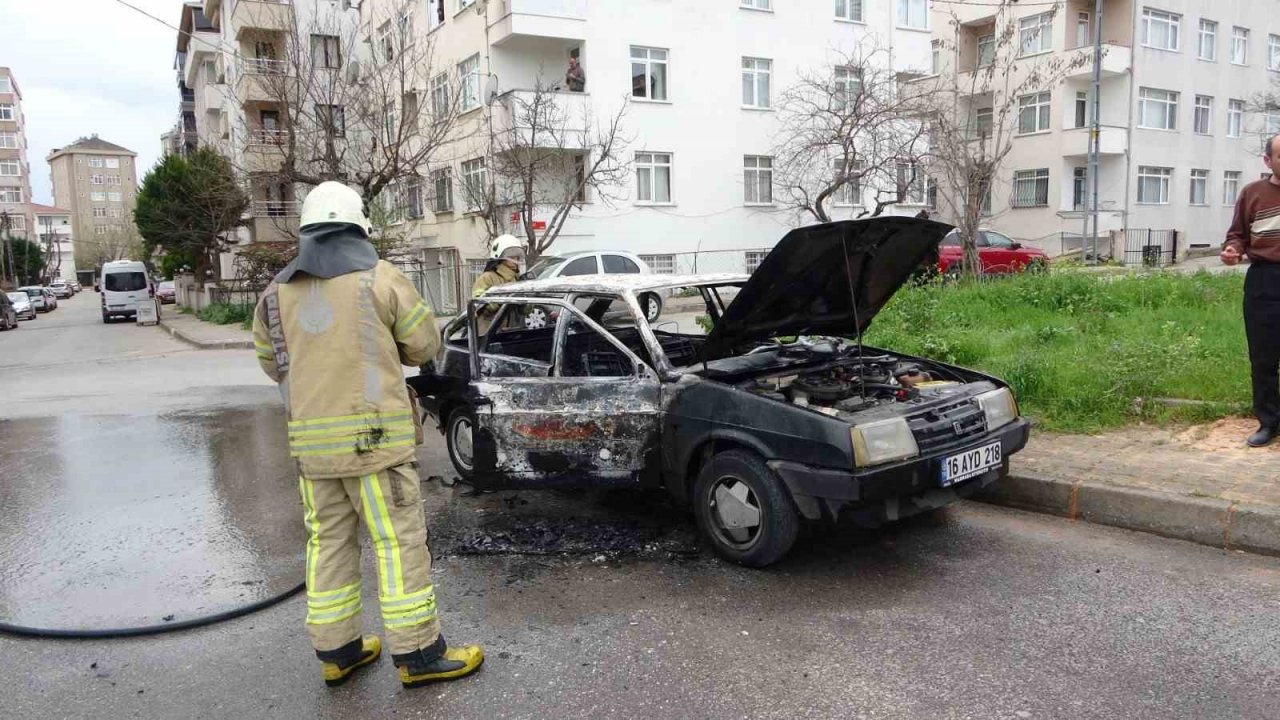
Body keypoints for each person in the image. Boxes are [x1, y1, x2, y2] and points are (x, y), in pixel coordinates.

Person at [252, 181, 484, 689]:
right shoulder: (380, 278)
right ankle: (419, 654)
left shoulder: (274, 293)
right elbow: (423, 346)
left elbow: (271, 364)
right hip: (375, 446)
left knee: (328, 543)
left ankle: (339, 652)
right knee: (398, 544)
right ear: (358, 228)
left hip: (313, 454)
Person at [1222, 133, 1280, 447]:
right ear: (1268, 160)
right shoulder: (1252, 193)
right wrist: (1233, 250)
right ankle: (1269, 422)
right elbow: (1238, 235)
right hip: (1264, 281)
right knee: (1263, 356)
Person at [471, 234, 525, 333]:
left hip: (511, 333)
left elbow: (524, 311)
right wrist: (496, 300)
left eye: (517, 257)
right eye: (512, 256)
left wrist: (527, 299)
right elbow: (478, 303)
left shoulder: (516, 279)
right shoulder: (487, 277)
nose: (516, 260)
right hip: (488, 333)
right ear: (500, 256)